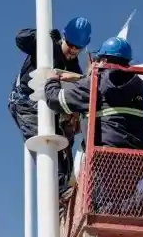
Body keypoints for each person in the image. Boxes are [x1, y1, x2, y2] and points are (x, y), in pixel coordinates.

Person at [43, 36, 143, 216]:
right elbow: (112, 90)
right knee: (119, 200)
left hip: (107, 158)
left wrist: (52, 80)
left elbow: (55, 99)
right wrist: (81, 78)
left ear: (103, 59)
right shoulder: (138, 84)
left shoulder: (95, 82)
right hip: (139, 160)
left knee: (98, 206)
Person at [8, 17, 92, 200]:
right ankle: (59, 191)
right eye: (70, 44)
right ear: (64, 37)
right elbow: (20, 38)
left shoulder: (74, 67)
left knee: (64, 145)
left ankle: (66, 192)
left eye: (78, 48)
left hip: (50, 108)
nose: (73, 50)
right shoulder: (48, 48)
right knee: (46, 142)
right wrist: (43, 38)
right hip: (27, 103)